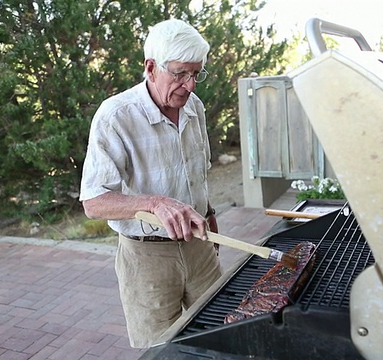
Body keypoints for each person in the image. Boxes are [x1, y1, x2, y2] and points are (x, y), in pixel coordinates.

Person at [79, 19, 222, 348]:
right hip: (147, 258)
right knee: (160, 352)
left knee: (221, 335)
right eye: (180, 73)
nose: (190, 85)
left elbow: (198, 171)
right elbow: (93, 201)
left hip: (200, 246)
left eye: (196, 74)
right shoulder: (116, 116)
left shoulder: (193, 108)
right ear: (151, 67)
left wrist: (209, 212)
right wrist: (154, 203)